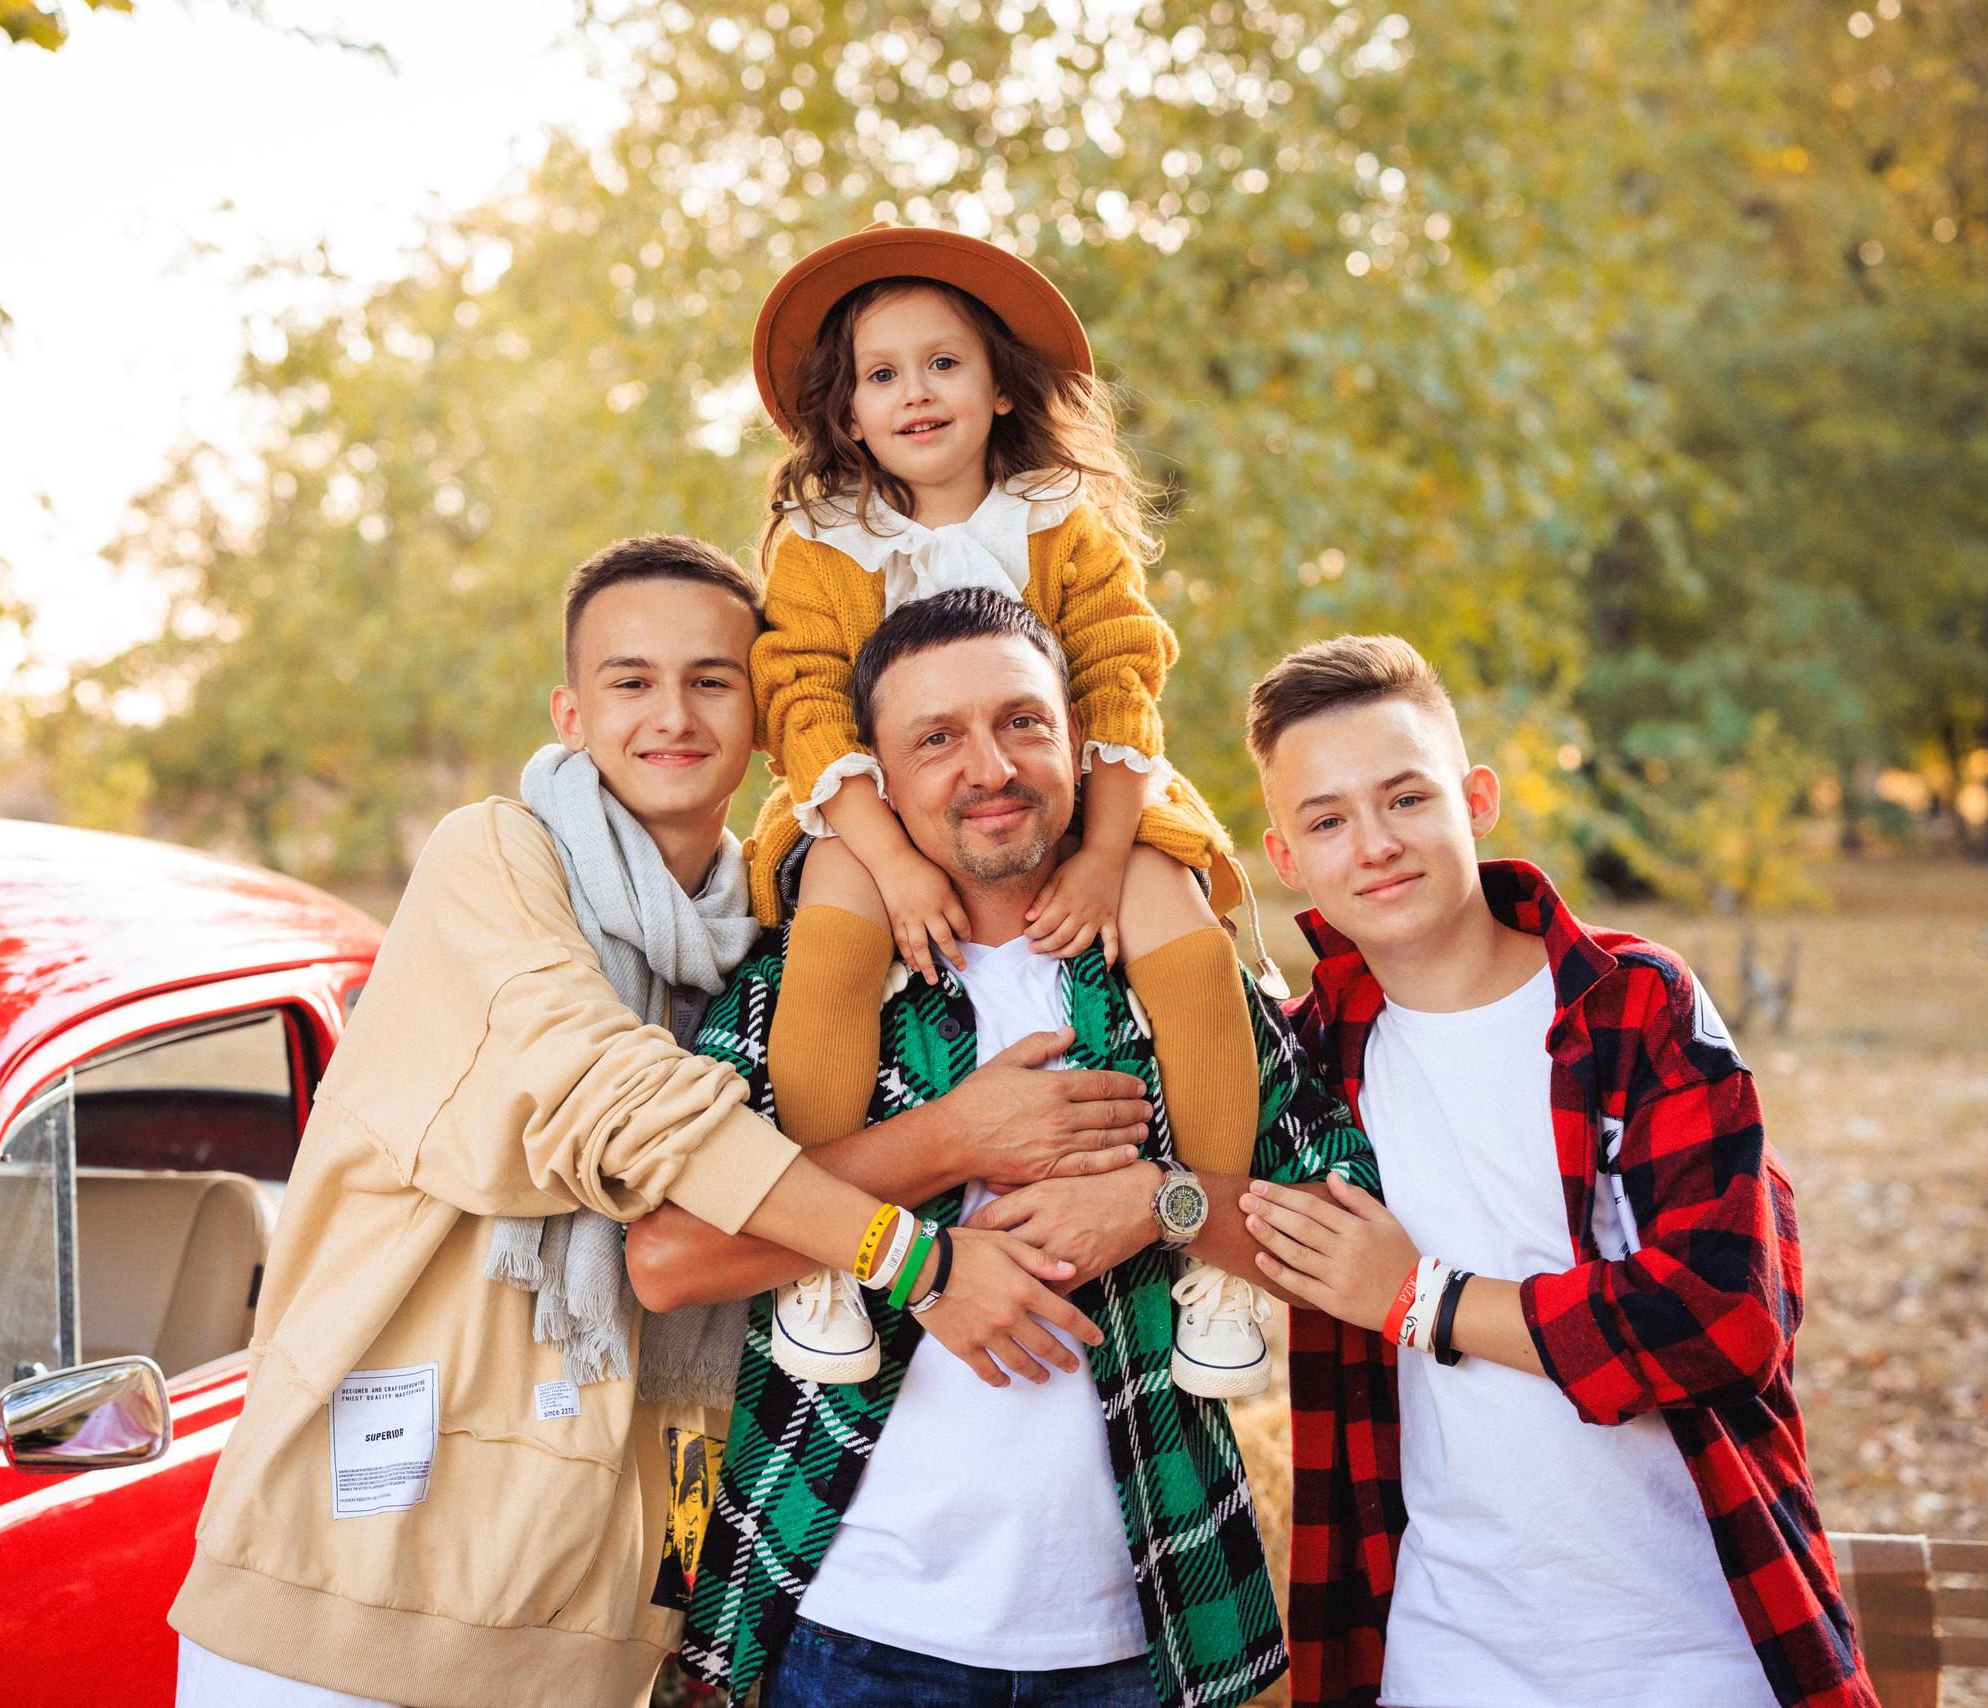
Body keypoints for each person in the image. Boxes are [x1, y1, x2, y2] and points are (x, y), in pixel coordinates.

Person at [167, 538, 1155, 1708]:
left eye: (712, 679)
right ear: (572, 712)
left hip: (586, 1624)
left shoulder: (770, 938)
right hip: (346, 1594)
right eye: (631, 682)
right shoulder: (492, 859)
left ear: (768, 721)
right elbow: (620, 1101)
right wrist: (927, 1241)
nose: (673, 714)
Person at [630, 588, 1378, 1708]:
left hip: (1151, 1628)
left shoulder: (1171, 974)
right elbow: (669, 1254)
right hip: (841, 1624)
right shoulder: (808, 985)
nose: (988, 766)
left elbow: (1353, 1230)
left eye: (1022, 722)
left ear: (1079, 744)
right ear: (876, 785)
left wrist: (1162, 1202)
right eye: (936, 739)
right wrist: (946, 1142)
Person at [1235, 634, 1878, 1708]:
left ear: (1474, 799)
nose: (1375, 845)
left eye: (1405, 798)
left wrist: (1417, 1297)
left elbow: (1725, 1319)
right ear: (1286, 857)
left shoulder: (1633, 1005)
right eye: (1327, 818)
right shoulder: (1310, 1068)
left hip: (1696, 1645)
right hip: (1445, 1654)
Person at [736, 222, 1281, 1394]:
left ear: (995, 388)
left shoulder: (1056, 516)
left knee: (1184, 945)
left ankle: (1219, 1260)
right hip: (868, 804)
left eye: (943, 363)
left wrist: (1103, 851)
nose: (915, 393)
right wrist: (889, 861)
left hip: (1079, 787)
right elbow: (804, 705)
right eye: (881, 375)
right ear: (846, 415)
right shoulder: (820, 545)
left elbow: (1120, 675)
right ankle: (819, 1252)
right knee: (827, 943)